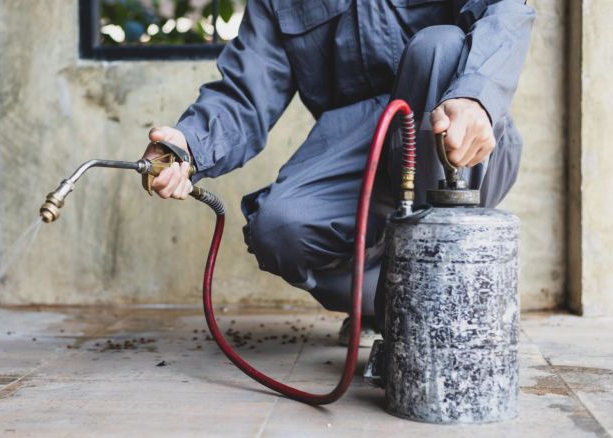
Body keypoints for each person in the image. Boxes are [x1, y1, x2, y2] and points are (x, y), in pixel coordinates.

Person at [141, 0, 535, 339]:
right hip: (354, 144)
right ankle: (384, 300)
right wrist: (188, 144)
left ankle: (439, 315)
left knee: (440, 47)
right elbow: (246, 92)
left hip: (454, 133)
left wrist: (478, 95)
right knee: (278, 229)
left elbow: (506, 8)